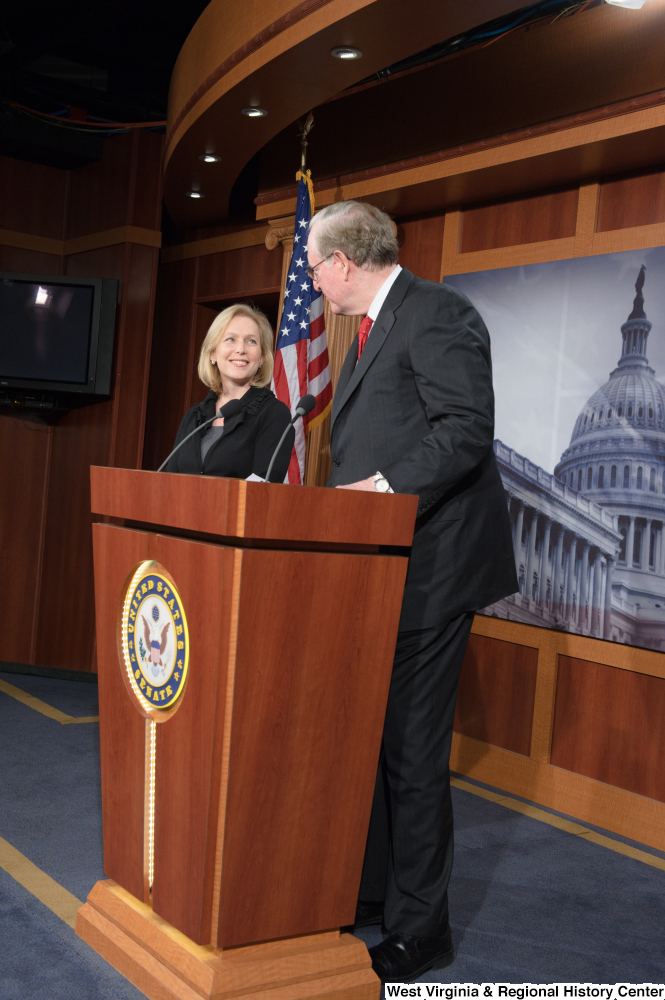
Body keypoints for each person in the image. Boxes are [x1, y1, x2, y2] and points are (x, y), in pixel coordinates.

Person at [306, 201, 517, 983]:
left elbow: (466, 428)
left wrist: (385, 489)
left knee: (412, 750)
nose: (312, 278)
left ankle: (421, 929)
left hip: (433, 567)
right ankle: (371, 894)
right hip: (380, 571)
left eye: (312, 263)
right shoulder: (367, 329)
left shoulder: (437, 312)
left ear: (344, 261)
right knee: (374, 738)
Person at [166, 303, 294, 481]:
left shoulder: (274, 414)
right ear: (213, 353)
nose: (241, 349)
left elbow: (262, 489)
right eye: (230, 339)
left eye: (251, 341)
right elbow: (169, 480)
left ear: (262, 357)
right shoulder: (194, 417)